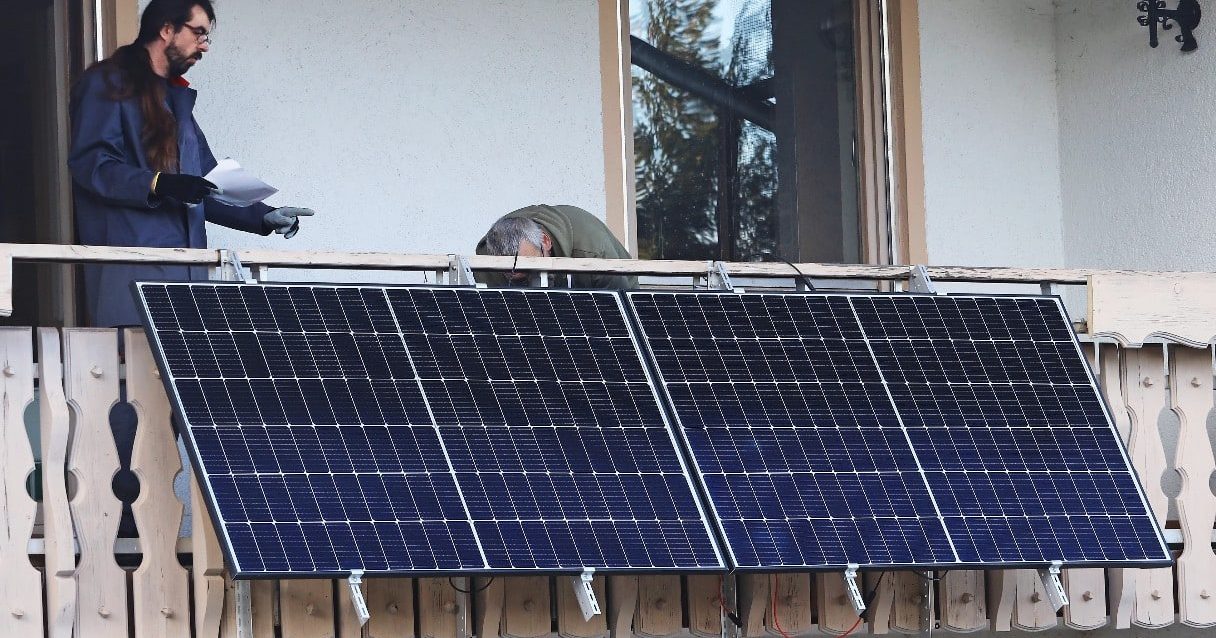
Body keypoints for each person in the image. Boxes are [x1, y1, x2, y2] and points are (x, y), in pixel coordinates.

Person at [68, 0, 315, 328]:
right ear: (167, 29)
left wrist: (264, 216)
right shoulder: (107, 83)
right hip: (132, 281)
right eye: (198, 33)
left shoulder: (173, 98)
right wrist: (157, 183)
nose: (204, 46)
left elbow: (207, 182)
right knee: (139, 377)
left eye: (206, 37)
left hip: (187, 289)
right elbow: (92, 166)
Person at [475, 204, 637, 289]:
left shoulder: (593, 252)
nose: (531, 280)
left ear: (545, 241)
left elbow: (618, 312)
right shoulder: (488, 260)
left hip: (615, 285)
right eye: (516, 278)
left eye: (531, 267)